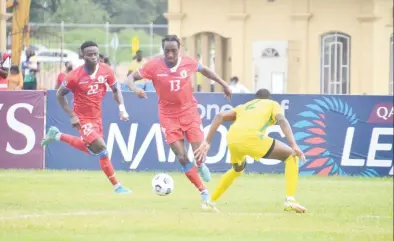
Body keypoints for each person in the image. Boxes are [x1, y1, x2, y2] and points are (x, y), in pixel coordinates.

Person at [125, 35, 232, 206]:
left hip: (189, 112)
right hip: (168, 116)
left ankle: (200, 164)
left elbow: (205, 70)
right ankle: (203, 191)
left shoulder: (188, 62)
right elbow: (129, 78)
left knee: (199, 154)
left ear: (178, 50)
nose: (170, 54)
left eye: (173, 50)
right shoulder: (153, 65)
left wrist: (224, 83)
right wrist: (134, 88)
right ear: (163, 50)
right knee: (181, 156)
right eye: (167, 51)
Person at [194, 89, 307, 213]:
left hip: (232, 138)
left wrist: (207, 141)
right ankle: (290, 200)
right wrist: (293, 144)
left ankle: (210, 202)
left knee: (237, 170)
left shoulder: (245, 106)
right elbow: (282, 120)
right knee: (291, 156)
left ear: (255, 98)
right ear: (268, 98)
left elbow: (220, 116)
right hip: (252, 137)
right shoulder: (272, 104)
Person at [41, 41, 132, 194]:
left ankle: (57, 135)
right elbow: (59, 95)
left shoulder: (106, 71)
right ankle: (117, 186)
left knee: (93, 151)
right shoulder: (74, 76)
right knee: (102, 149)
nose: (93, 57)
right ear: (82, 56)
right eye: (89, 54)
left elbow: (116, 90)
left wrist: (122, 109)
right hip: (82, 119)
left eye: (96, 54)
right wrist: (72, 115)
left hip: (97, 118)